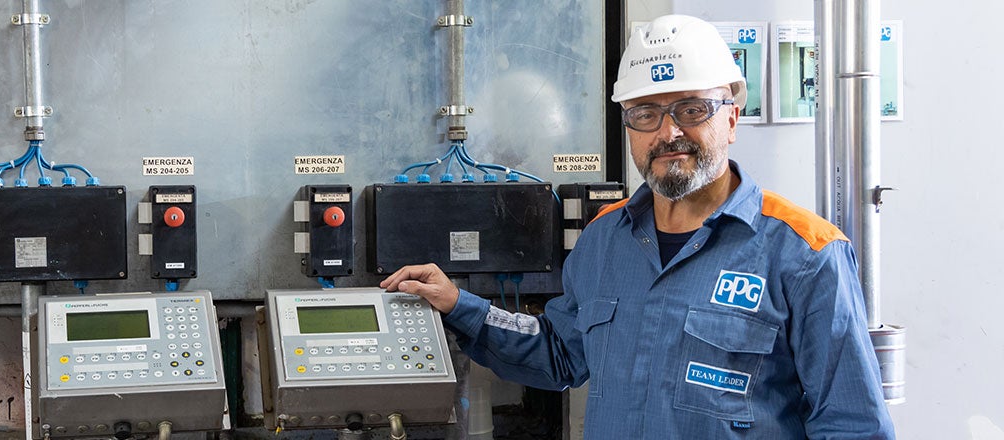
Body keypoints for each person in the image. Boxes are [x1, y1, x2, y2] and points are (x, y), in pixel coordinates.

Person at [381, 14, 894, 439]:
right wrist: (460, 306)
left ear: (731, 118)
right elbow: (561, 354)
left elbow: (853, 425)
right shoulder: (605, 237)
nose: (669, 133)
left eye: (692, 109)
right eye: (646, 114)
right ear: (629, 126)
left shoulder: (806, 253)